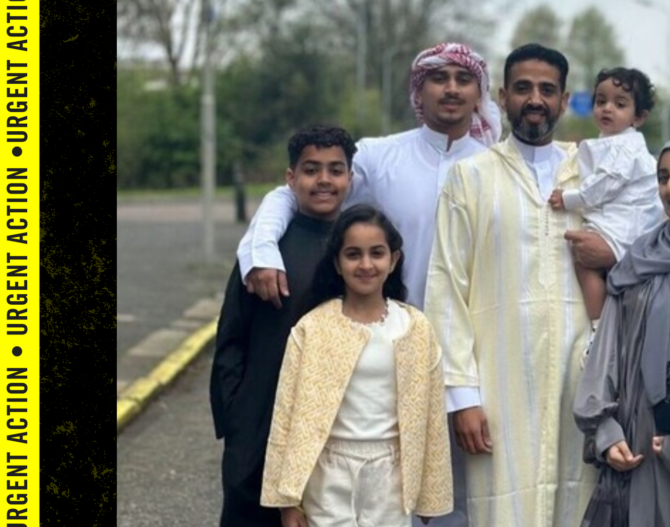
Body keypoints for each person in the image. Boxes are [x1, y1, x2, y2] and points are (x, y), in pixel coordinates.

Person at [237, 41, 500, 527]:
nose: (452, 88)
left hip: (475, 358)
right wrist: (260, 251)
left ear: (480, 93)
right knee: (376, 482)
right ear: (419, 89)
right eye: (438, 78)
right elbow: (296, 191)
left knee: (468, 495)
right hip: (386, 347)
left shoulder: (497, 165)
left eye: (463, 79)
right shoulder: (381, 157)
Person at [424, 43, 655, 527]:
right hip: (497, 387)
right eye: (523, 88)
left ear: (565, 98)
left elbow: (645, 235)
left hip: (586, 381)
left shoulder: (593, 169)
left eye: (547, 90)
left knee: (581, 504)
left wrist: (610, 253)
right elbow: (447, 287)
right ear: (504, 96)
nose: (535, 99)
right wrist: (462, 397)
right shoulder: (469, 177)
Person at [573, 134, 670, 527]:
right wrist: (605, 431)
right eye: (663, 177)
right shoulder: (642, 257)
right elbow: (607, 348)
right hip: (636, 448)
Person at [260, 205, 453, 527]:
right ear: (337, 262)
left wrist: (431, 492)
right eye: (353, 254)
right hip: (328, 471)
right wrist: (286, 501)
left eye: (376, 253)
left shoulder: (415, 328)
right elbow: (285, 416)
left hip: (392, 473)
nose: (366, 265)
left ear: (394, 260)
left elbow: (431, 415)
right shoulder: (312, 328)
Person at [209, 125, 357, 527]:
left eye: (335, 170)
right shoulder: (265, 252)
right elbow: (231, 338)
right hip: (260, 415)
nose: (324, 180)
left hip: (342, 419)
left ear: (350, 178)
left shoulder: (361, 250)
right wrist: (237, 416)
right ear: (291, 178)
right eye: (311, 170)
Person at [548, 67, 664, 363]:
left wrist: (569, 199)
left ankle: (600, 330)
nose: (607, 108)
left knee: (584, 261)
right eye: (601, 101)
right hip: (621, 222)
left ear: (638, 117)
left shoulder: (626, 147)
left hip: (626, 226)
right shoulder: (611, 142)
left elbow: (604, 185)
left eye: (620, 103)